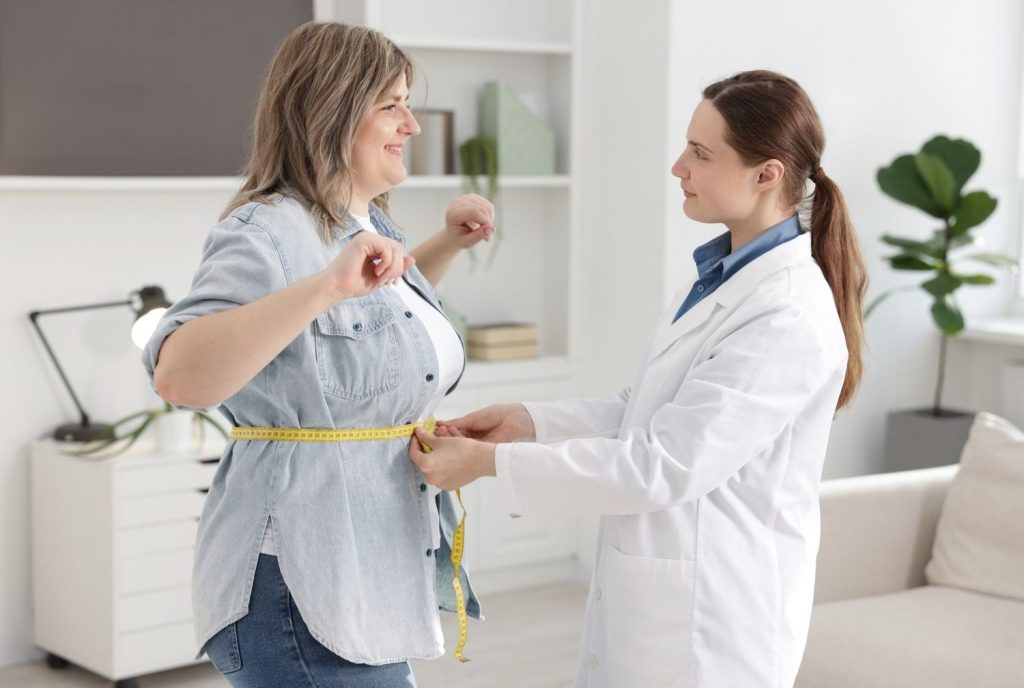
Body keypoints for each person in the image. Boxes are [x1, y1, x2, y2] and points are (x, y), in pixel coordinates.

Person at [409, 70, 867, 688]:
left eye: (701, 155)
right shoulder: (722, 277)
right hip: (664, 607)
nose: (679, 167)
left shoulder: (787, 313)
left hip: (715, 625)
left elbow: (662, 466)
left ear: (767, 174)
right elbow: (648, 411)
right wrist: (527, 424)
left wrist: (489, 466)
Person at [142, 22, 494, 688]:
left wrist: (442, 245)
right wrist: (329, 281)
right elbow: (180, 375)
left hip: (369, 563)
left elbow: (369, 328)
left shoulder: (367, 225)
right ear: (330, 109)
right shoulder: (264, 231)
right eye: (391, 105)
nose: (412, 126)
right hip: (300, 577)